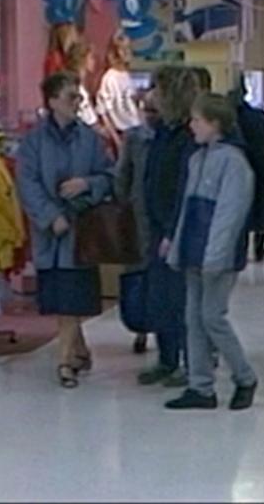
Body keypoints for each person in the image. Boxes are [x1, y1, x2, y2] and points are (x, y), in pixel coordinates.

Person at [17, 71, 113, 389]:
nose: (77, 103)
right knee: (62, 300)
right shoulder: (33, 142)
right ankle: (79, 350)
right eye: (71, 97)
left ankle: (64, 362)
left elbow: (109, 175)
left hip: (81, 232)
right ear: (53, 100)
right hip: (49, 234)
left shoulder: (90, 139)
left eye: (79, 97)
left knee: (73, 298)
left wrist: (87, 184)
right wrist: (48, 215)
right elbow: (27, 183)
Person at [165, 93, 257, 410]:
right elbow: (186, 210)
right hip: (194, 250)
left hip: (217, 255)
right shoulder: (196, 159)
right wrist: (178, 248)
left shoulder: (234, 163)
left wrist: (215, 257)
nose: (192, 126)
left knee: (211, 316)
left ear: (215, 124)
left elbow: (229, 216)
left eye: (198, 120)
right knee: (194, 317)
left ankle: (244, 376)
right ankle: (200, 386)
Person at [138, 66, 200, 388]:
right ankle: (166, 359)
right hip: (157, 224)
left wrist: (173, 231)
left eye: (158, 90)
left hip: (176, 231)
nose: (152, 96)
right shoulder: (162, 131)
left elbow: (184, 189)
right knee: (160, 298)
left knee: (181, 302)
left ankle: (191, 365)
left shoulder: (187, 137)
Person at [115, 88, 161, 354]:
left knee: (161, 278)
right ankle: (141, 327)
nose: (152, 116)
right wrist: (124, 204)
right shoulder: (134, 138)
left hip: (158, 218)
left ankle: (162, 331)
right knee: (139, 274)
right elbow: (123, 174)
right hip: (139, 216)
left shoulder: (175, 138)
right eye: (149, 110)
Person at [229, 76, 264, 262]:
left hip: (238, 170)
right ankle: (259, 248)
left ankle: (240, 251)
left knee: (239, 213)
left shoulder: (229, 120)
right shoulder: (260, 117)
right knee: (261, 211)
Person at [96, 35, 141, 156]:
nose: (127, 52)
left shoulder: (127, 75)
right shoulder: (109, 78)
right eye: (122, 49)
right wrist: (116, 139)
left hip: (136, 129)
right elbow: (104, 112)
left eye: (129, 48)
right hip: (122, 132)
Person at [65, 42, 99, 129]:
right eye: (91, 58)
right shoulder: (76, 90)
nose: (94, 61)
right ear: (82, 60)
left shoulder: (79, 86)